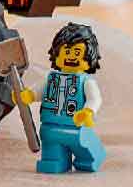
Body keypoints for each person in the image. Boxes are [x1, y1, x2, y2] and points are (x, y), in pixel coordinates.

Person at [15, 22, 106, 174]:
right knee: (52, 147)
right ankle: (54, 161)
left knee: (85, 151)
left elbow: (94, 99)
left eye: (77, 52)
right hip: (50, 127)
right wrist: (28, 95)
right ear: (56, 54)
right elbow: (38, 92)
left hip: (77, 127)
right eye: (67, 51)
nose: (71, 57)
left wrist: (88, 112)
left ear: (89, 57)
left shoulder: (86, 82)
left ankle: (89, 159)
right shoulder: (51, 79)